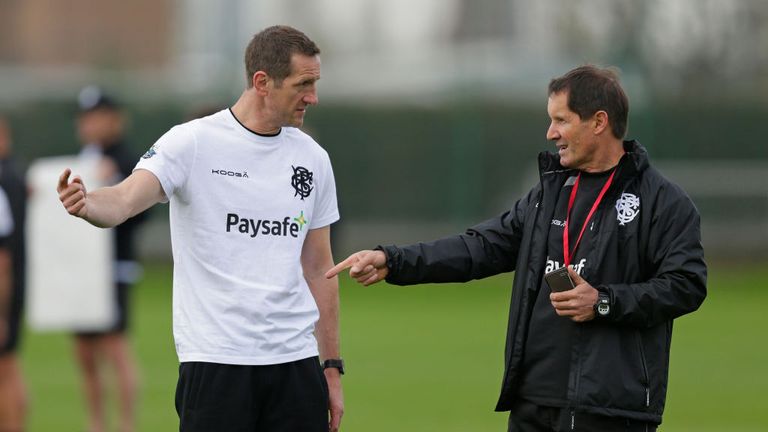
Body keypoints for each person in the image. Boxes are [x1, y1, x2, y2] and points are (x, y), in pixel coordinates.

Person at [327, 65, 706, 431]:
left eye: (561, 120)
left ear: (599, 122)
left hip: (609, 408)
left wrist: (604, 301)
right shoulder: (548, 195)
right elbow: (479, 247)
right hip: (533, 403)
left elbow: (687, 284)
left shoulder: (663, 202)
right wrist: (393, 261)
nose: (550, 133)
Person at [58, 25, 344, 432]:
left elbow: (320, 268)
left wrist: (331, 368)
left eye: (315, 84)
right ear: (262, 82)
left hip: (294, 365)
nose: (313, 97)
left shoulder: (313, 158)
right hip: (216, 363)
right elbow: (123, 199)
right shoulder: (191, 143)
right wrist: (87, 203)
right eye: (303, 84)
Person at [72, 86, 146, 432]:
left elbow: (141, 212)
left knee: (115, 346)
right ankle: (97, 422)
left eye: (97, 117)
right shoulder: (82, 159)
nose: (90, 124)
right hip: (82, 270)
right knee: (85, 350)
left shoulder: (132, 160)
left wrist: (113, 181)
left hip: (115, 266)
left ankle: (126, 423)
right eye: (86, 118)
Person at [0, 116, 27, 432]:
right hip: (15, 283)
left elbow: (3, 259)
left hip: (7, 289)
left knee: (5, 369)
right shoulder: (16, 177)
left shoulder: (7, 178)